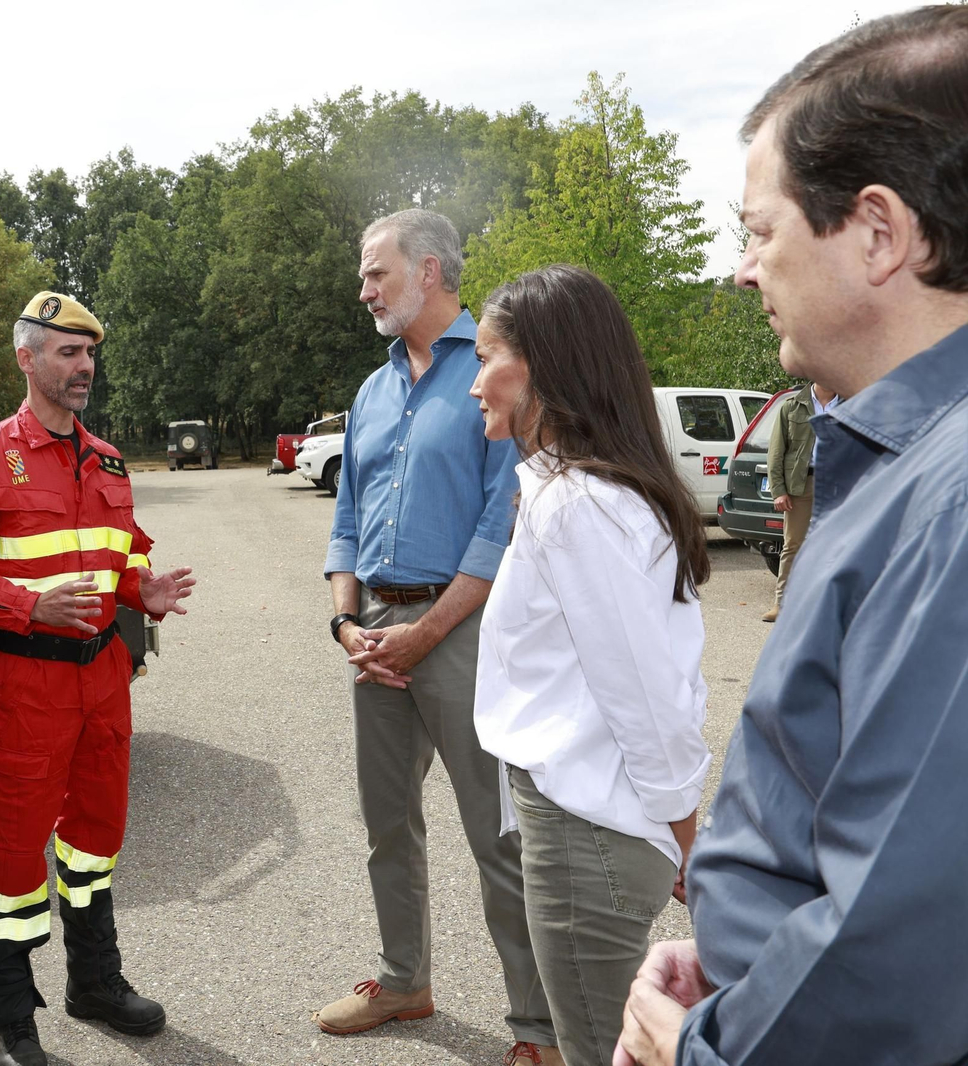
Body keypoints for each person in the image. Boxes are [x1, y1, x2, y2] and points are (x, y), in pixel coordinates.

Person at [617, 7, 968, 1064]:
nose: (742, 268)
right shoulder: (911, 466)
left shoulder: (951, 501)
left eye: (760, 231)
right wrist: (743, 966)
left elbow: (895, 955)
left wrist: (706, 1047)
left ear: (878, 233)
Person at [0, 291, 195, 1066]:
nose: (84, 367)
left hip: (103, 681)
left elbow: (126, 550)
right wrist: (27, 606)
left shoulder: (106, 459)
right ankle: (12, 1019)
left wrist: (141, 588)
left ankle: (94, 984)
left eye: (89, 355)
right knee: (10, 864)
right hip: (27, 688)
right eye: (68, 352)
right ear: (27, 357)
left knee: (94, 843)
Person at [318, 209, 559, 1066]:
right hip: (374, 637)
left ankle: (539, 1027)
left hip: (461, 631)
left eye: (374, 271)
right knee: (387, 822)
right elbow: (346, 519)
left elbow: (502, 523)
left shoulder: (495, 372)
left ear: (428, 270)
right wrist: (347, 622)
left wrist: (426, 632)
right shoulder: (371, 390)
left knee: (499, 835)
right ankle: (402, 980)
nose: (363, 290)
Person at [469, 265, 711, 1066]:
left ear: (542, 366)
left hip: (593, 832)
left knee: (602, 1051)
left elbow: (645, 697)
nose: (474, 383)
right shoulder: (574, 493)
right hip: (593, 822)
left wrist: (688, 841)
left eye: (486, 358)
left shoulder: (578, 505)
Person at [760, 381, 838, 622]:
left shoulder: (850, 404)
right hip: (800, 485)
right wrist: (778, 491)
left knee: (834, 544)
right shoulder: (791, 406)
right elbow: (776, 452)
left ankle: (827, 605)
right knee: (793, 544)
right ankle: (781, 604)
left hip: (837, 485)